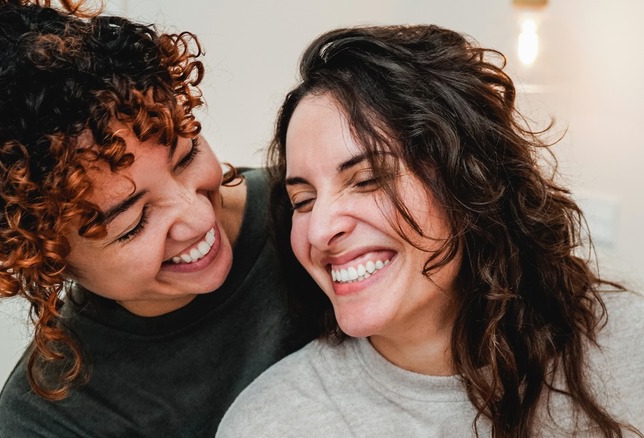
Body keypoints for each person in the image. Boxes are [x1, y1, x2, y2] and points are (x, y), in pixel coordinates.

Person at [0, 0, 318, 436]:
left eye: (186, 155)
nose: (198, 217)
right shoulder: (59, 416)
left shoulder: (317, 213)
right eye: (133, 222)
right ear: (44, 259)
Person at [216, 24, 644, 437]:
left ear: (470, 181)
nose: (320, 230)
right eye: (303, 202)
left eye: (367, 180)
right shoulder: (271, 423)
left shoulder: (628, 344)